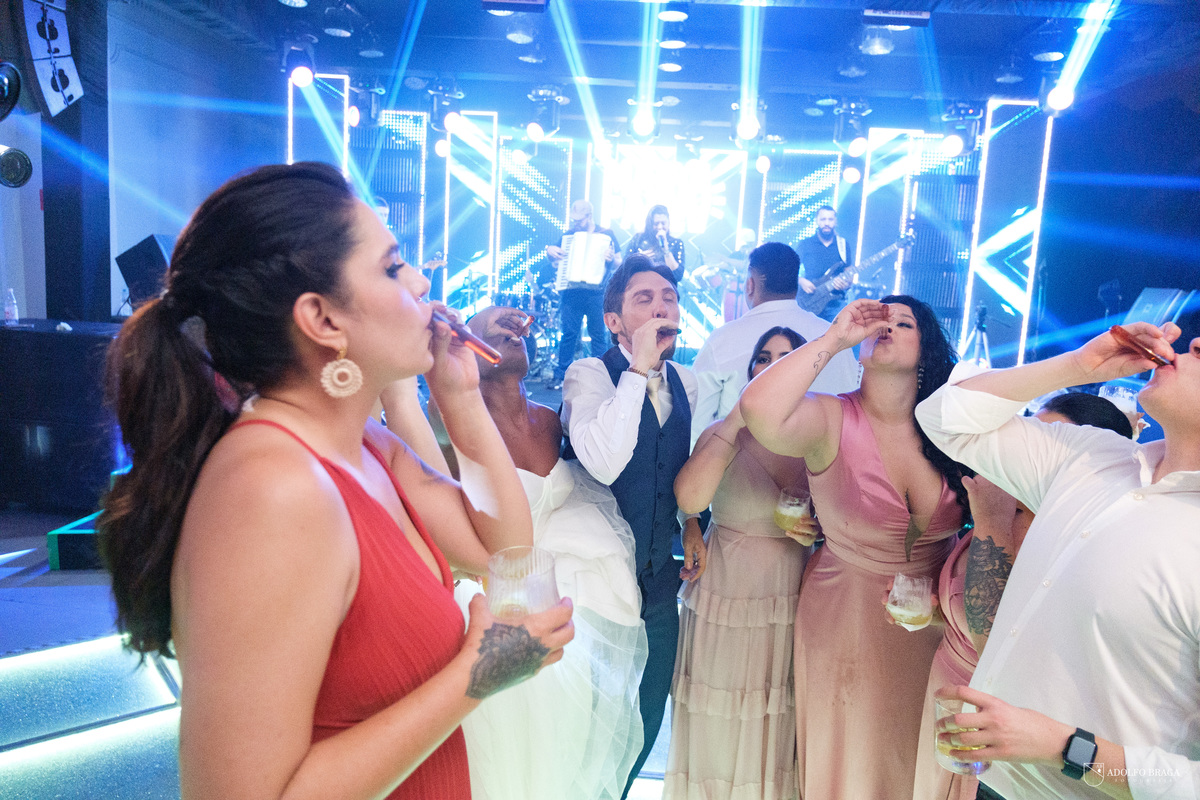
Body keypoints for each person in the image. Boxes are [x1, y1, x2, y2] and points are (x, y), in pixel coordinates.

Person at [96, 162, 574, 800]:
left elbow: (503, 551)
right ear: (322, 320)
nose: (422, 282)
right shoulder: (272, 487)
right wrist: (474, 677)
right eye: (393, 267)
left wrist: (460, 397)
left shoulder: (366, 445)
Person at [916, 322, 1200, 800]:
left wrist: (1065, 748)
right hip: (993, 781)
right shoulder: (1096, 457)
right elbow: (945, 417)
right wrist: (1076, 365)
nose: (1195, 342)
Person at [400, 305, 649, 800]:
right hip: (498, 606)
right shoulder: (446, 422)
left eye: (516, 330)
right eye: (494, 328)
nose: (512, 333)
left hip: (562, 600)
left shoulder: (551, 421)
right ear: (464, 348)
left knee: (564, 751)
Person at [740, 296, 970, 799]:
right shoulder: (830, 416)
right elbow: (757, 409)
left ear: (927, 349)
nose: (886, 327)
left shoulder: (949, 429)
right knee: (850, 751)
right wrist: (834, 339)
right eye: (878, 320)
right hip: (845, 615)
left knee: (916, 751)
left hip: (935, 620)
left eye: (903, 323)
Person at [910, 392, 1135, 800]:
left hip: (995, 730)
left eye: (1053, 447)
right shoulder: (1008, 501)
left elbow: (996, 641)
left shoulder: (1050, 533)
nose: (1029, 456)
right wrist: (937, 610)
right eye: (1032, 437)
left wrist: (990, 520)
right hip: (945, 701)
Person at [560, 254, 697, 796]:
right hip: (595, 588)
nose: (662, 306)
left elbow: (683, 466)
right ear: (613, 320)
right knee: (590, 727)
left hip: (659, 582)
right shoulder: (589, 374)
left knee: (644, 720)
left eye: (669, 297)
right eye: (644, 298)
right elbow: (604, 461)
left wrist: (692, 521)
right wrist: (638, 368)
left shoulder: (685, 381)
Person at [665, 326, 816, 800]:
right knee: (716, 712)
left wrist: (821, 531)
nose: (771, 367)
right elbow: (690, 499)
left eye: (785, 359)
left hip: (789, 590)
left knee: (775, 713)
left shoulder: (818, 437)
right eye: (763, 358)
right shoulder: (724, 432)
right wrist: (737, 419)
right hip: (725, 586)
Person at [690, 241, 861, 445]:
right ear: (795, 285)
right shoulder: (835, 338)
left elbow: (695, 427)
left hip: (736, 463)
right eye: (764, 360)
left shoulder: (722, 340)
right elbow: (852, 415)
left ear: (750, 285)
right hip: (825, 461)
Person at [545, 199, 622, 391]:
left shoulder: (606, 234)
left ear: (589, 216)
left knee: (598, 334)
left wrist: (611, 259)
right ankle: (561, 375)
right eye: (574, 220)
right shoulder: (569, 235)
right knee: (569, 334)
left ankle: (601, 377)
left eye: (579, 220)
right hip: (572, 292)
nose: (576, 223)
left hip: (597, 293)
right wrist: (549, 250)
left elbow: (618, 262)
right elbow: (553, 256)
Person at [795, 205, 853, 321]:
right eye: (823, 219)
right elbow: (789, 270)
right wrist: (800, 281)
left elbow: (849, 274)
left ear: (835, 221)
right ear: (817, 221)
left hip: (835, 303)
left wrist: (846, 284)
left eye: (830, 219)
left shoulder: (843, 244)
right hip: (809, 300)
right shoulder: (806, 244)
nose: (827, 223)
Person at [626, 204, 685, 283]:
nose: (660, 227)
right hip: (641, 285)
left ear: (668, 223)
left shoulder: (676, 243)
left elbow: (678, 275)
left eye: (663, 223)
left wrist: (666, 249)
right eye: (656, 224)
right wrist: (640, 259)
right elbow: (624, 269)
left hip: (665, 287)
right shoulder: (638, 239)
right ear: (650, 224)